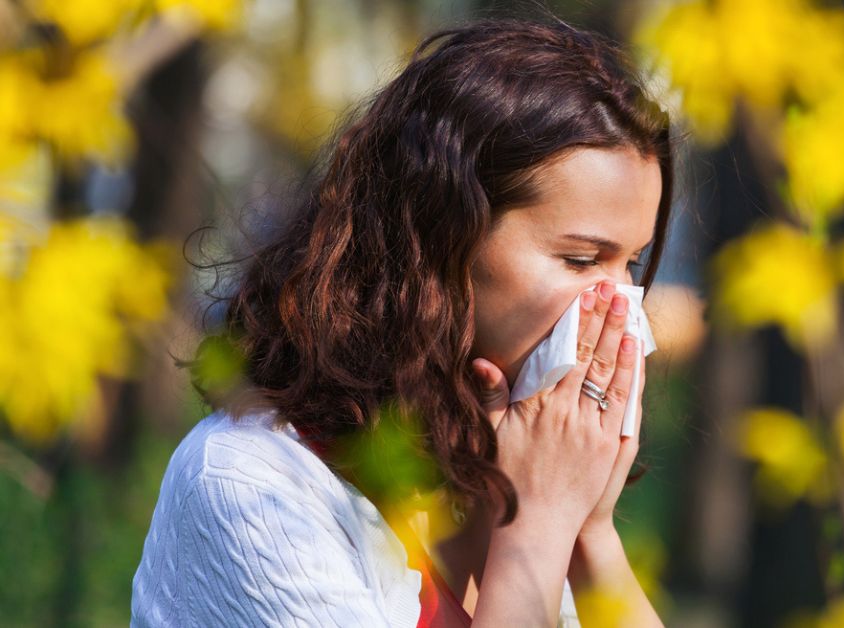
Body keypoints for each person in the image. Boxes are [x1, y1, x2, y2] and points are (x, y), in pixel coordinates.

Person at [131, 14, 675, 628]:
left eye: (630, 264)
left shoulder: (512, 472)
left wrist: (590, 533)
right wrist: (538, 525)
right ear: (440, 238)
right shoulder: (252, 486)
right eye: (581, 259)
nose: (621, 306)